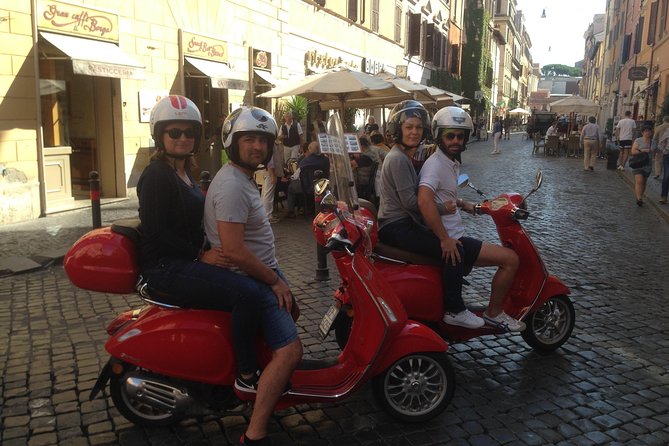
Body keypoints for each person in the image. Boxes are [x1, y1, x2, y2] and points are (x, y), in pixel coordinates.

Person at [137, 96, 274, 421]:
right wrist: (201, 255)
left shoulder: (183, 172)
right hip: (165, 267)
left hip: (182, 262)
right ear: (160, 135)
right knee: (247, 293)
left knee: (241, 288)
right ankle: (246, 374)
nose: (182, 138)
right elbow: (155, 233)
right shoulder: (157, 175)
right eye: (174, 132)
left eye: (188, 132)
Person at [204, 106, 303, 445]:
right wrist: (273, 281)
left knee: (293, 309)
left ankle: (268, 383)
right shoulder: (232, 185)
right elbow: (232, 249)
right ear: (232, 141)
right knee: (290, 351)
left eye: (262, 140)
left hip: (260, 274)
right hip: (252, 279)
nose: (257, 147)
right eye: (249, 139)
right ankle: (255, 433)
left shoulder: (240, 179)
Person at [377, 100, 484, 329]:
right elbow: (411, 202)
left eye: (418, 127)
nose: (414, 132)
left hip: (399, 224)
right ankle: (454, 309)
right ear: (398, 130)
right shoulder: (397, 159)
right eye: (409, 127)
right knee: (455, 248)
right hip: (397, 227)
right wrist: (442, 209)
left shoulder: (401, 157)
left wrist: (458, 202)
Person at [417, 106, 524, 332]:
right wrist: (445, 239)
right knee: (511, 259)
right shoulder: (435, 165)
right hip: (454, 238)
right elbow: (424, 200)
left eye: (460, 136)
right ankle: (494, 313)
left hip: (456, 233)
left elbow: (443, 196)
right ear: (439, 136)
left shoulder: (451, 163)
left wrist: (464, 205)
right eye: (450, 136)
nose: (456, 140)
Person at [630, 123, 654, 206]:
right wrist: (643, 150)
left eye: (649, 131)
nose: (648, 133)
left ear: (651, 132)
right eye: (646, 131)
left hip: (648, 165)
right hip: (638, 163)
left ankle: (640, 196)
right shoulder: (638, 140)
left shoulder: (653, 142)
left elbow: (657, 150)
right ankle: (639, 198)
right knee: (639, 181)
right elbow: (633, 152)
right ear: (642, 132)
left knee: (644, 182)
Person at [651, 115, 669, 180]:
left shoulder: (659, 127)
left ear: (663, 120)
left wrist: (653, 148)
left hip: (660, 147)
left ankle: (657, 173)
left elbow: (654, 138)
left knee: (658, 160)